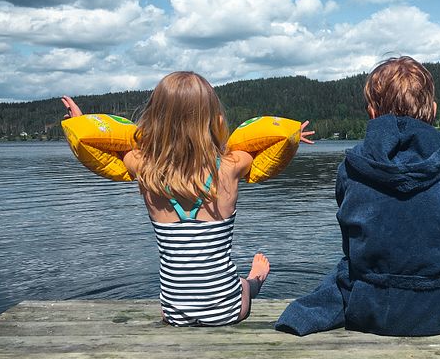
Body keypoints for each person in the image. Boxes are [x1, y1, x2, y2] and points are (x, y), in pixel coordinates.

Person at [275, 57, 440, 336]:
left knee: (344, 273)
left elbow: (349, 235)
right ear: (434, 111)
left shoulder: (351, 167)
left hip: (369, 307)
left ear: (372, 113)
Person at [62, 71, 314, 326]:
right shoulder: (230, 167)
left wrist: (81, 122)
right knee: (242, 284)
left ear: (154, 120)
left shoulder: (143, 167)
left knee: (182, 288)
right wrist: (291, 137)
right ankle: (255, 280)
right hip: (227, 310)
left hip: (173, 311)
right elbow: (274, 144)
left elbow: (97, 142)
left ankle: (204, 295)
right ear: (214, 120)